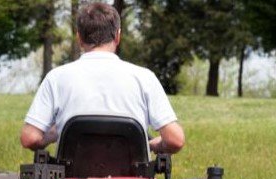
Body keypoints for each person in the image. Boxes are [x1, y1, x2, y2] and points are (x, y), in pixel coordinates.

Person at [20, 2, 185, 155]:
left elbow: (30, 138)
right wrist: (153, 145)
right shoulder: (144, 78)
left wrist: (56, 133)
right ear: (117, 36)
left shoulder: (56, 78)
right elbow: (175, 140)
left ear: (79, 38)